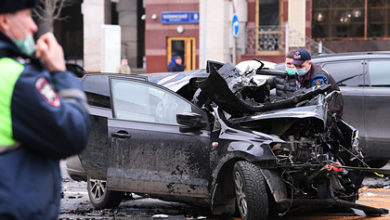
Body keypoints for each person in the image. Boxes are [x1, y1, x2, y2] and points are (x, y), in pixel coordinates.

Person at [0, 0, 90, 219]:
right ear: (4, 21)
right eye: (28, 16)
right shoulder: (14, 78)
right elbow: (73, 133)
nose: (33, 26)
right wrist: (60, 73)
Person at [292, 49, 344, 117]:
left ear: (309, 63)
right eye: (296, 66)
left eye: (301, 66)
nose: (298, 68)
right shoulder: (300, 74)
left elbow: (318, 101)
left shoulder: (318, 76)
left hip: (331, 109)